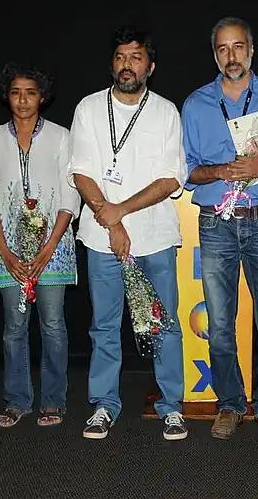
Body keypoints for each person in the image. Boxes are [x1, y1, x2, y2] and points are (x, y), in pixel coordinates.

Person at [181, 17, 258, 440]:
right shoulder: (196, 103)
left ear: (252, 49)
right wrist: (219, 171)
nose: (231, 56)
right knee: (219, 323)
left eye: (238, 47)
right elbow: (187, 171)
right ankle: (230, 403)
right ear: (214, 54)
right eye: (222, 49)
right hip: (216, 223)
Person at [69, 25, 188, 441]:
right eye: (120, 57)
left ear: (150, 67)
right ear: (112, 63)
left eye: (136, 58)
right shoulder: (87, 108)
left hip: (154, 237)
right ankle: (104, 404)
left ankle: (171, 406)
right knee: (104, 326)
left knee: (164, 324)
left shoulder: (166, 112)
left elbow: (171, 178)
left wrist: (122, 210)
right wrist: (112, 220)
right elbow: (81, 171)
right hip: (101, 239)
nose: (127, 64)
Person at [0, 64, 78, 428]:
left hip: (53, 246)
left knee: (52, 324)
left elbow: (70, 194)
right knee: (14, 327)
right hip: (10, 250)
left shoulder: (61, 137)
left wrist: (49, 247)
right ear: (7, 95)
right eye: (16, 91)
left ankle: (54, 402)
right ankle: (17, 400)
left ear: (42, 97)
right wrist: (6, 252)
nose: (23, 99)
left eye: (30, 92)